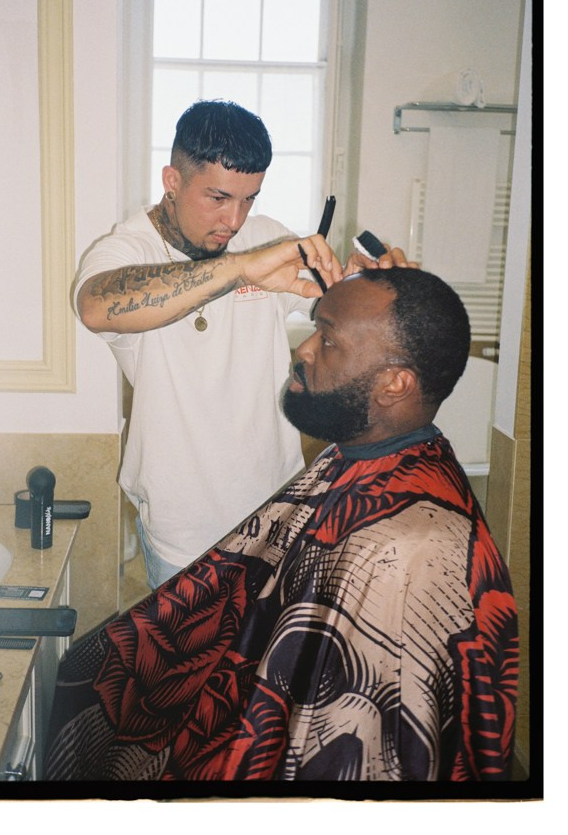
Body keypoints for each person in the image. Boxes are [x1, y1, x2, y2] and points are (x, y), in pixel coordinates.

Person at [46, 267, 518, 783]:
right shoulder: (357, 456)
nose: (305, 350)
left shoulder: (410, 553)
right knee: (86, 674)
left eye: (329, 339)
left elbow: (367, 757)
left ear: (394, 383)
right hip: (252, 696)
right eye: (315, 328)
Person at [75, 99, 410, 588]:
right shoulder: (127, 247)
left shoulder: (266, 236)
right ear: (172, 180)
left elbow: (336, 309)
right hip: (182, 537)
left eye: (249, 198)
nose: (234, 220)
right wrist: (239, 269)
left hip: (279, 518)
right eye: (217, 198)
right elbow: (95, 307)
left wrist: (381, 290)